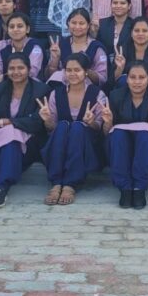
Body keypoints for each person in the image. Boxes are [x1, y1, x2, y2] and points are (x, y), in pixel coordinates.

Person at [0, 52, 45, 209]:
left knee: (12, 135)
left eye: (20, 68)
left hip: (27, 143)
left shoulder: (41, 90)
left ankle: (1, 187)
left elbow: (36, 122)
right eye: (11, 68)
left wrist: (4, 122)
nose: (16, 72)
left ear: (29, 69)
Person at [38, 52, 107, 206]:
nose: (72, 74)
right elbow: (51, 128)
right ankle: (56, 182)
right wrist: (47, 120)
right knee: (62, 126)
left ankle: (70, 183)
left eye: (77, 70)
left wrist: (91, 122)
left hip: (86, 144)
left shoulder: (97, 94)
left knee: (77, 127)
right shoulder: (56, 93)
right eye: (68, 70)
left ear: (86, 72)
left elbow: (99, 128)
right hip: (61, 140)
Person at [101, 61, 148, 209]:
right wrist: (108, 122)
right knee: (118, 135)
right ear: (127, 79)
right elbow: (107, 132)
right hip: (122, 145)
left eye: (141, 77)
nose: (137, 82)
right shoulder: (116, 96)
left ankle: (139, 188)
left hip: (145, 146)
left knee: (145, 135)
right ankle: (124, 187)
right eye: (132, 77)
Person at [44, 8, 107, 87]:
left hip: (87, 89)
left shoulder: (96, 47)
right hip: (62, 89)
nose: (77, 27)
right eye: (74, 23)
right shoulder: (61, 45)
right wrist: (55, 60)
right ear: (68, 24)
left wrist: (85, 71)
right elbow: (52, 77)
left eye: (81, 23)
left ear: (88, 25)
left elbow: (102, 79)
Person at [0, 12, 45, 84]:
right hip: (5, 85)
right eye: (11, 27)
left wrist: (2, 78)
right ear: (7, 30)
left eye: (20, 26)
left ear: (27, 29)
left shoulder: (35, 47)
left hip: (30, 85)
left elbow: (31, 73)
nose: (15, 29)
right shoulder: (1, 45)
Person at [112, 16, 148, 90]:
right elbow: (113, 80)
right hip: (126, 90)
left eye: (144, 31)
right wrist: (120, 69)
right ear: (131, 33)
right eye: (137, 31)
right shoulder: (121, 50)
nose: (140, 34)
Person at [95, 0, 135, 82]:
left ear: (129, 6)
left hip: (127, 70)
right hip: (104, 68)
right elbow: (97, 45)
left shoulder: (134, 25)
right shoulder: (102, 23)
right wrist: (93, 32)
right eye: (115, 3)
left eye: (122, 3)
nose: (118, 6)